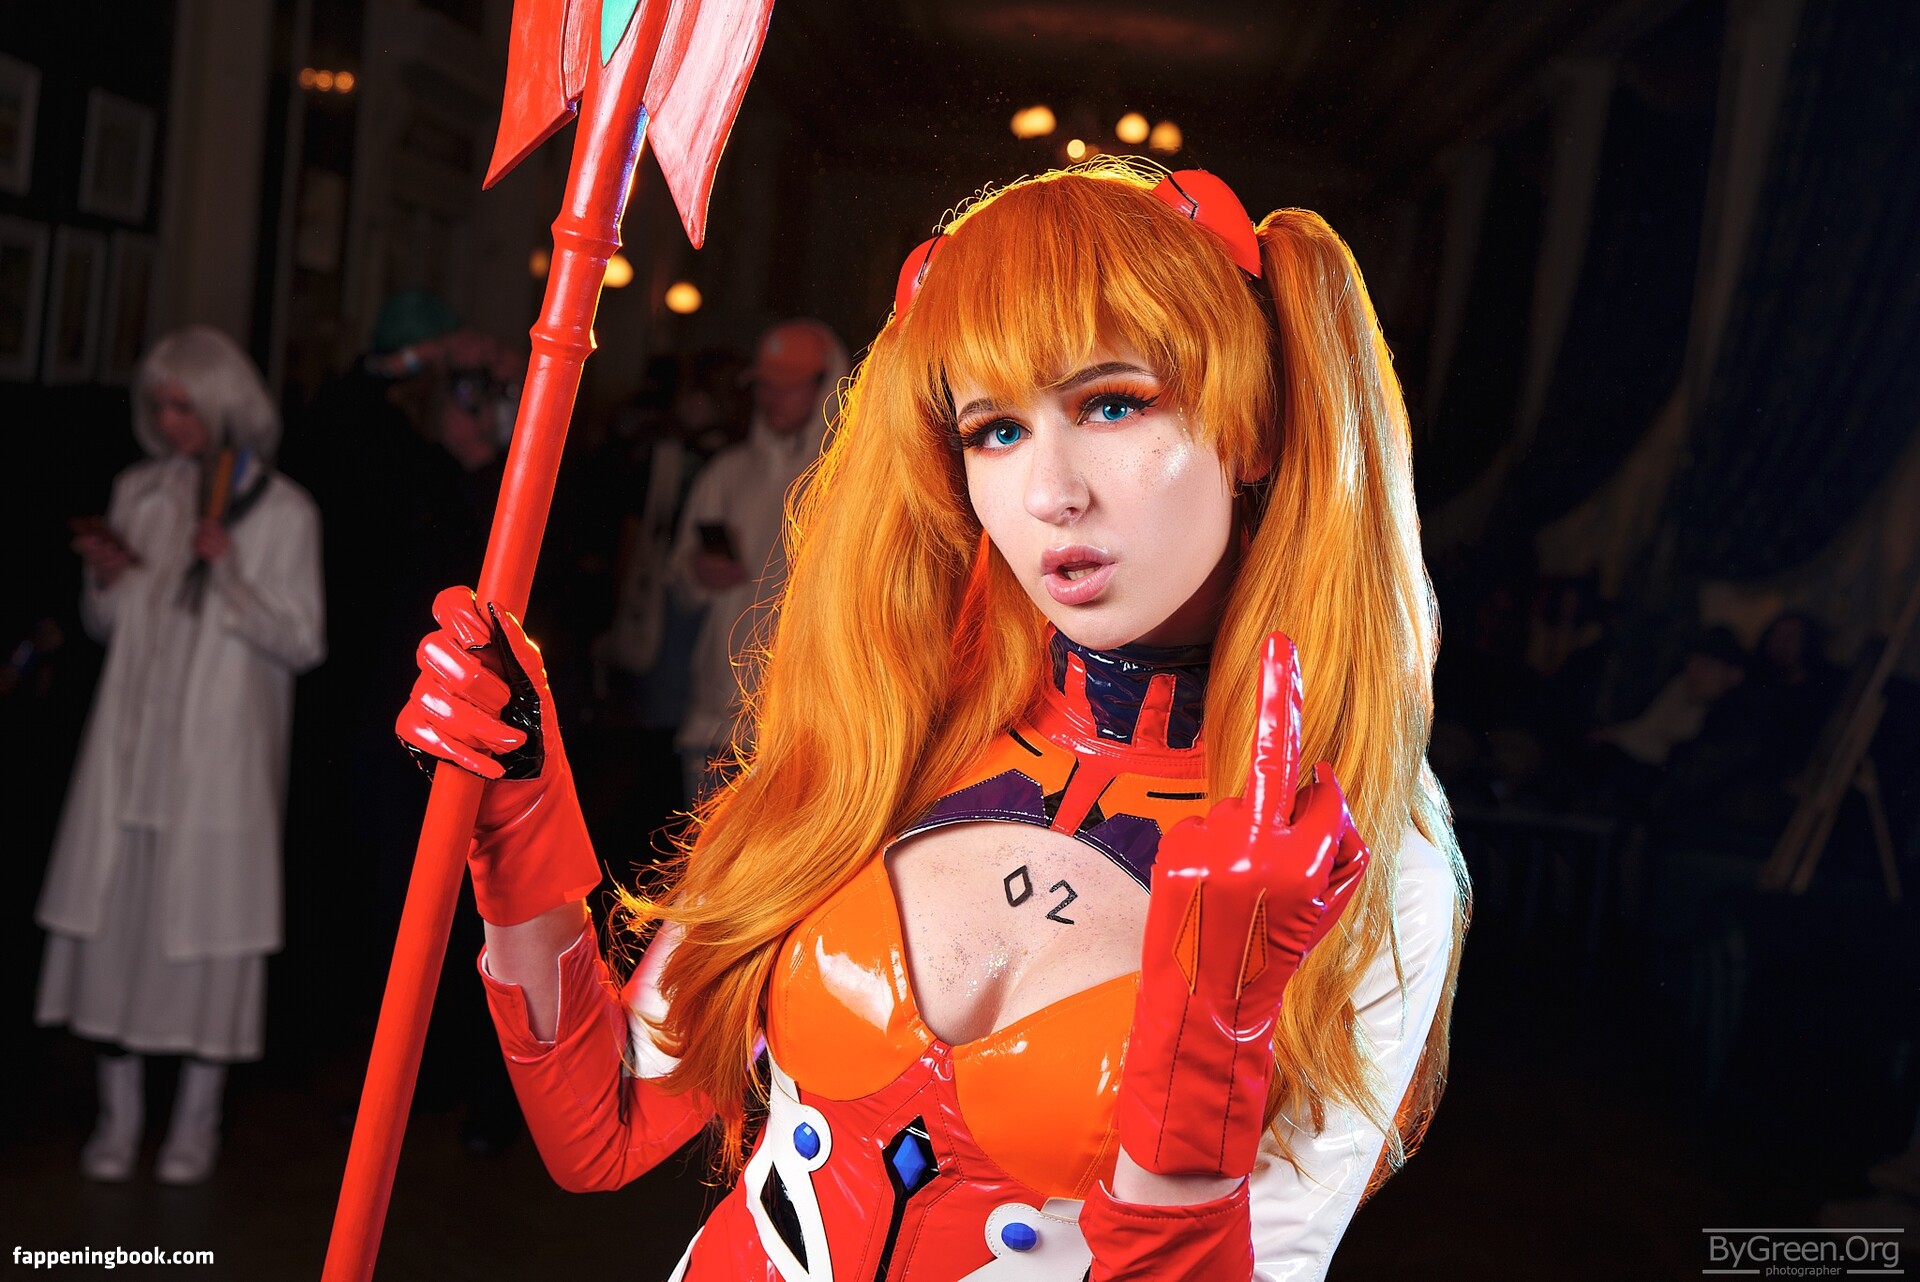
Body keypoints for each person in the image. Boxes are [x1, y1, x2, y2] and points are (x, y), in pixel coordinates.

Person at [400, 160, 1468, 1279]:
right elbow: (604, 1124)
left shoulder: (1363, 855)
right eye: (995, 429)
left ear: (1253, 429)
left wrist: (1214, 1048)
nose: (1050, 492)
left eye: (1112, 403)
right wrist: (515, 808)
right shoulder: (889, 730)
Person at [37, 325, 326, 1184]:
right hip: (133, 750)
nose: (170, 422)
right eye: (159, 406)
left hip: (220, 760)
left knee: (210, 932)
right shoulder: (142, 491)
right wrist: (107, 578)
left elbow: (304, 640)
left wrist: (230, 573)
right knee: (117, 929)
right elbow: (110, 625)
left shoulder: (284, 511)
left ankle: (195, 1123)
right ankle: (118, 1118)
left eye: (184, 406)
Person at [670, 318, 849, 800]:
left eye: (788, 386)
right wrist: (696, 571)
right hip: (714, 725)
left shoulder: (846, 481)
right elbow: (681, 584)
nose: (772, 398)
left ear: (825, 385)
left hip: (803, 734)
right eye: (765, 386)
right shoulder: (726, 473)